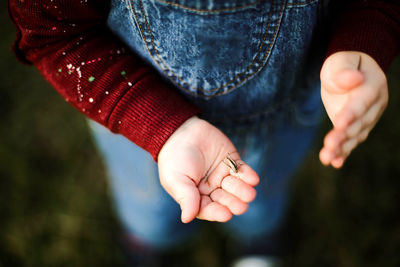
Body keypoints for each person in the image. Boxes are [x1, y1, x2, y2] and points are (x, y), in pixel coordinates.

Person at [8, 0, 400, 265]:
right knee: (148, 206)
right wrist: (161, 127)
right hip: (144, 132)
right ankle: (148, 241)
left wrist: (363, 41)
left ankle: (259, 240)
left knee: (264, 195)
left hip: (283, 115)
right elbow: (56, 35)